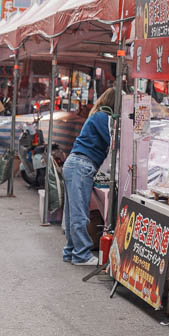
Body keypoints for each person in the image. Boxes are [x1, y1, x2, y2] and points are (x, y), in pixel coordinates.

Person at [61, 87, 116, 266]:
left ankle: (71, 251)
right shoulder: (102, 118)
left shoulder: (97, 115)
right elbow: (115, 141)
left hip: (76, 164)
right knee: (79, 214)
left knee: (72, 213)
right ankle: (81, 255)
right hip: (81, 165)